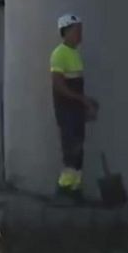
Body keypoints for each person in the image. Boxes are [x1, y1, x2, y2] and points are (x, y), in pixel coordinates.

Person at [50, 14, 98, 202]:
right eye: (77, 31)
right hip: (66, 110)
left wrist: (86, 104)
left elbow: (76, 83)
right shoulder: (59, 54)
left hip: (76, 109)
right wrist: (82, 99)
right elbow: (59, 86)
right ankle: (63, 191)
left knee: (78, 150)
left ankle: (75, 189)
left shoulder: (74, 54)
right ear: (67, 31)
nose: (80, 35)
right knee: (71, 150)